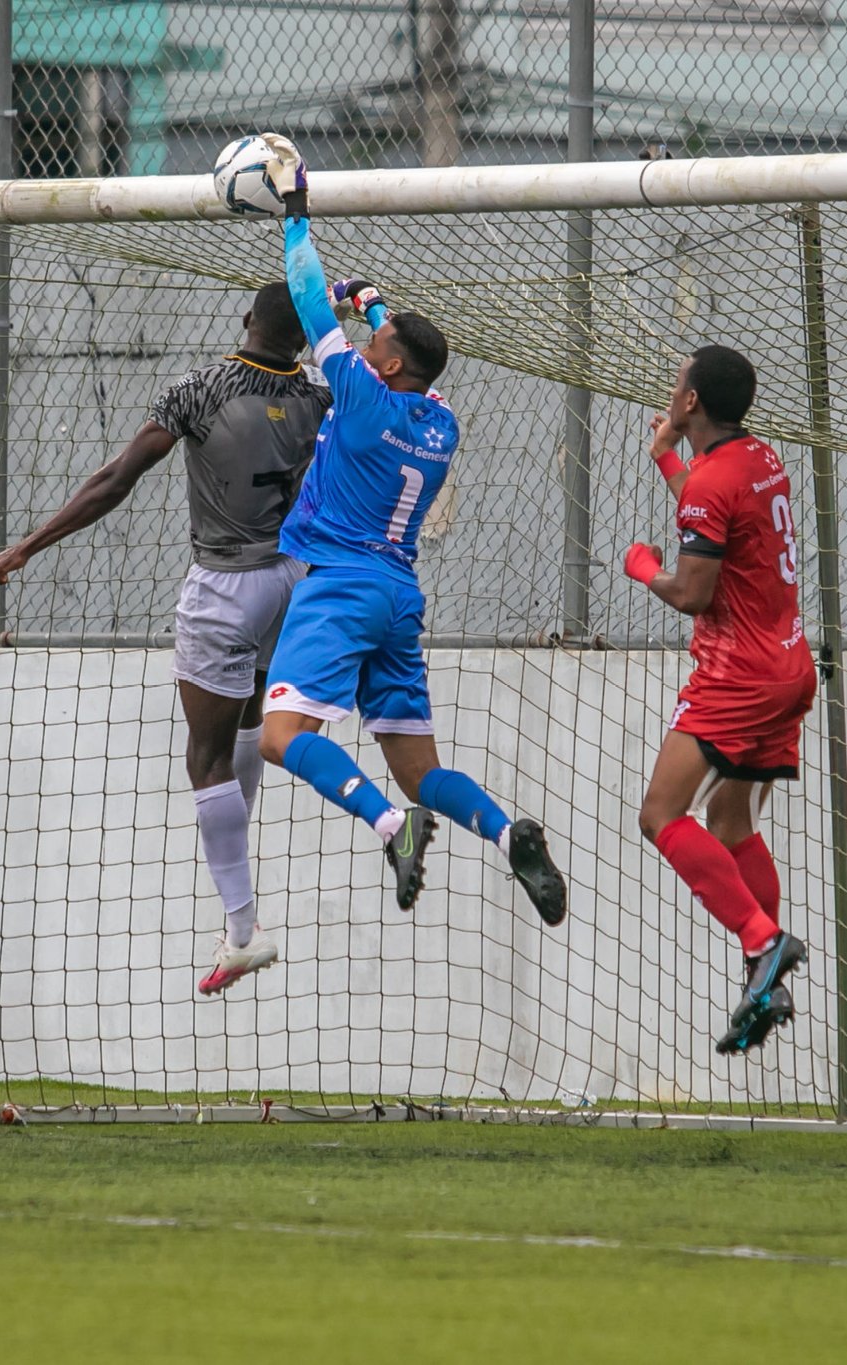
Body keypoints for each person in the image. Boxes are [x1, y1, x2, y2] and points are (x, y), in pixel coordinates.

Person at [0, 285, 329, 995]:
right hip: (294, 580)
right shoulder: (322, 394)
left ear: (246, 321)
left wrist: (23, 548)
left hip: (225, 586)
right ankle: (237, 882)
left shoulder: (199, 390)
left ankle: (242, 929)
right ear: (303, 338)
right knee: (248, 722)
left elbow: (115, 481)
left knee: (204, 759)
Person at [249, 137, 567, 926]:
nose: (360, 349)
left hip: (343, 585)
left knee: (279, 735)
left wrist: (296, 213)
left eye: (372, 348)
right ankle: (507, 831)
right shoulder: (439, 421)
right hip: (398, 596)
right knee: (422, 770)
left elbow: (307, 293)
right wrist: (374, 306)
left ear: (386, 369)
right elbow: (395, 346)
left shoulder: (358, 395)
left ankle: (391, 826)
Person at [622, 347, 816, 1055]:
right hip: (788, 666)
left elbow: (692, 592)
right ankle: (763, 982)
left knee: (660, 814)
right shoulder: (759, 458)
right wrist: (666, 458)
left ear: (692, 401)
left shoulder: (715, 480)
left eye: (677, 383)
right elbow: (714, 511)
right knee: (731, 822)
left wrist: (643, 567)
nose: (671, 390)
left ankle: (763, 942)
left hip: (739, 675)